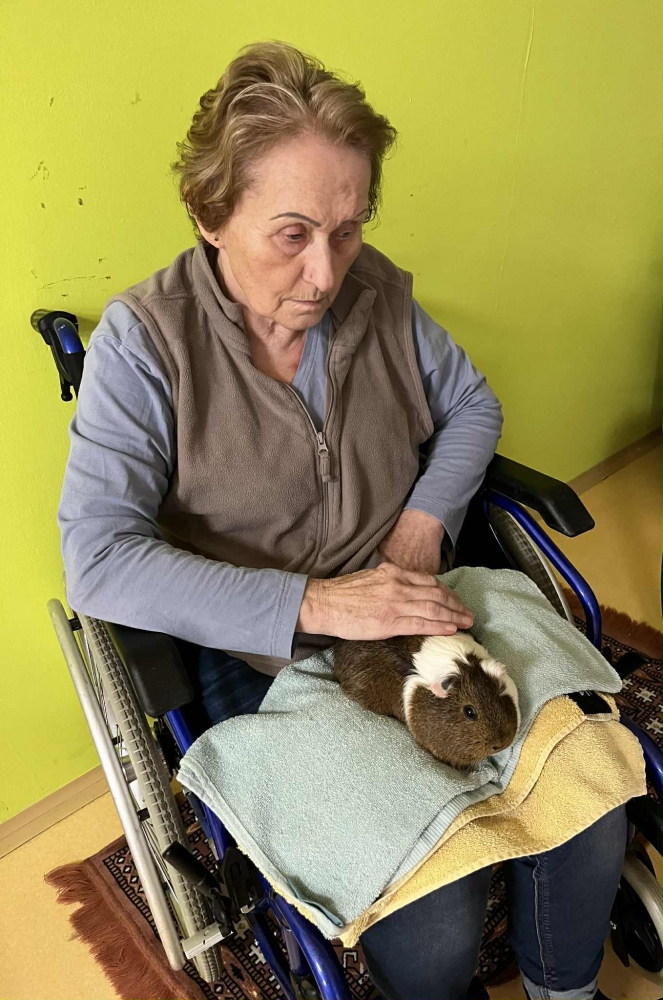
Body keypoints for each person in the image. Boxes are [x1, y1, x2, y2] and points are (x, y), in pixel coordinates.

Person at [58, 41, 626, 1000]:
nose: (325, 274)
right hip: (261, 650)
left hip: (414, 598)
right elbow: (99, 559)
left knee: (587, 794)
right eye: (291, 233)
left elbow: (470, 407)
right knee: (431, 907)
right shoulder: (145, 344)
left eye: (348, 229)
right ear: (208, 214)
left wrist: (423, 520)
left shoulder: (379, 295)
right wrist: (317, 602)